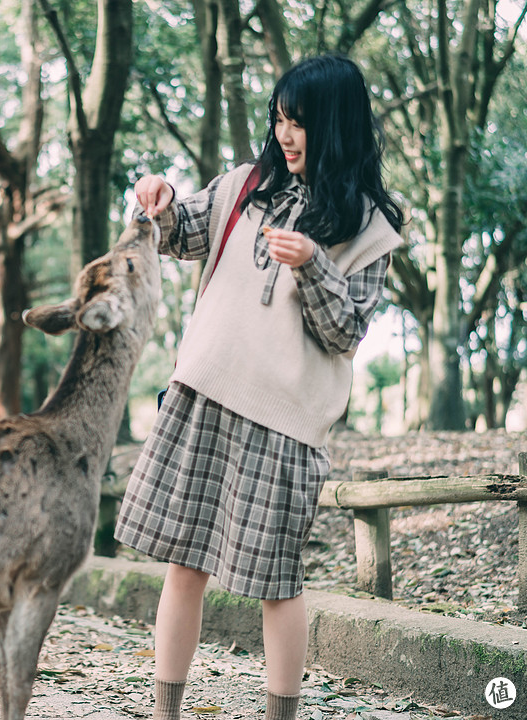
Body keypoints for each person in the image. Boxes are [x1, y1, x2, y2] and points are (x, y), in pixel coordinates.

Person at [114, 55, 405, 720]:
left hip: (284, 421)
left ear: (336, 126)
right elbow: (178, 232)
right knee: (184, 565)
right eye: (278, 119)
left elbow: (345, 332)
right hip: (205, 393)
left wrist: (314, 266)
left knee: (276, 583)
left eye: (299, 122)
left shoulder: (369, 224)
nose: (285, 134)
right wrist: (153, 205)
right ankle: (166, 713)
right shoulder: (245, 184)